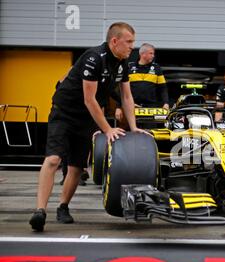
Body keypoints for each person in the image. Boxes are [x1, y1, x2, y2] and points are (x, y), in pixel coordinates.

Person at [29, 22, 148, 232]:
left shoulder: (122, 63)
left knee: (76, 167)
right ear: (114, 41)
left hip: (86, 118)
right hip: (64, 112)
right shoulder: (94, 58)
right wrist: (107, 129)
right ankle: (40, 211)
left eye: (133, 42)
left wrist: (133, 127)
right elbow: (89, 99)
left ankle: (63, 207)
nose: (132, 46)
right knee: (54, 159)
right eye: (129, 42)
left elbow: (127, 97)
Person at [115, 43, 169, 126]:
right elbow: (121, 90)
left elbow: (163, 89)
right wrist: (118, 107)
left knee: (150, 134)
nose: (153, 56)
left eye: (153, 53)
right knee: (132, 135)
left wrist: (166, 103)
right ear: (142, 54)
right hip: (132, 107)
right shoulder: (129, 67)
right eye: (151, 53)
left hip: (151, 109)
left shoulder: (156, 68)